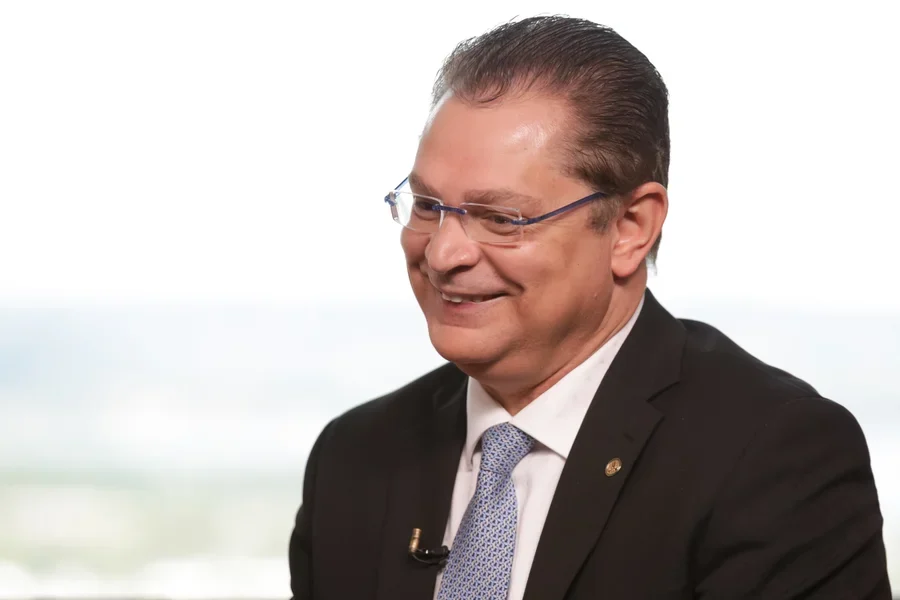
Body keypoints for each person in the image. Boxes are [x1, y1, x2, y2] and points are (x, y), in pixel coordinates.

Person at [289, 15, 890, 600]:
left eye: (501, 218)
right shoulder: (354, 457)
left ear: (630, 227)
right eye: (427, 206)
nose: (443, 253)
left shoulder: (774, 457)